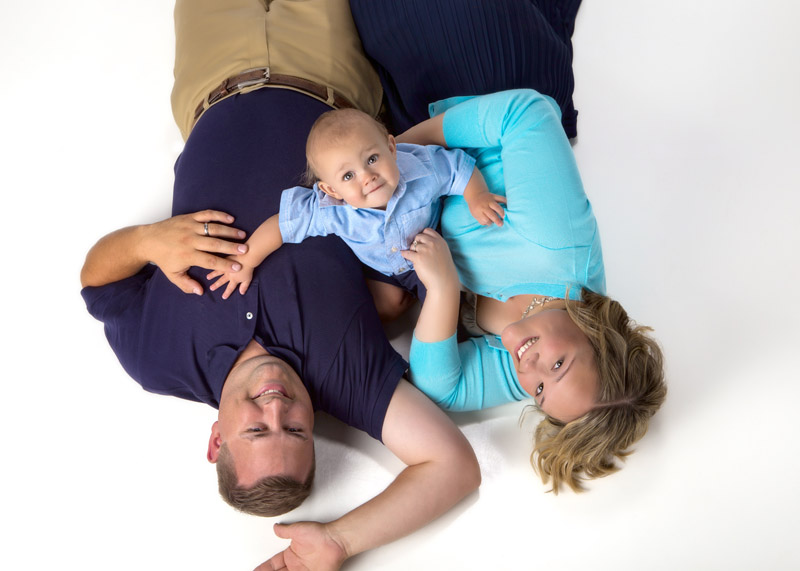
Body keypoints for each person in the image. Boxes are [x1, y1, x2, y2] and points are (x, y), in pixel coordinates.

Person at [80, 0, 480, 568]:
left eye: (258, 432)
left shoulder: (158, 361)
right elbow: (453, 466)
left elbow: (96, 282)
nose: (277, 408)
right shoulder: (344, 377)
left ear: (218, 438)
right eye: (294, 429)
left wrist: (148, 242)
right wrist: (340, 541)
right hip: (327, 76)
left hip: (210, 74)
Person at [398, 89, 667, 494]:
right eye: (559, 365)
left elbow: (439, 388)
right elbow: (526, 113)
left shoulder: (525, 361)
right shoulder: (557, 242)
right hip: (463, 89)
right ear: (595, 332)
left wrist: (443, 289)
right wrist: (397, 152)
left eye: (540, 392)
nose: (530, 369)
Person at [204, 107, 505, 302]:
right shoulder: (331, 209)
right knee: (385, 308)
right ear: (331, 189)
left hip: (425, 257)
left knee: (443, 301)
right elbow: (283, 225)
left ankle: (451, 339)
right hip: (377, 267)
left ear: (391, 147)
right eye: (349, 175)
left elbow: (458, 168)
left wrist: (476, 195)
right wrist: (248, 260)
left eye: (372, 159)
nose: (368, 177)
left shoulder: (421, 169)